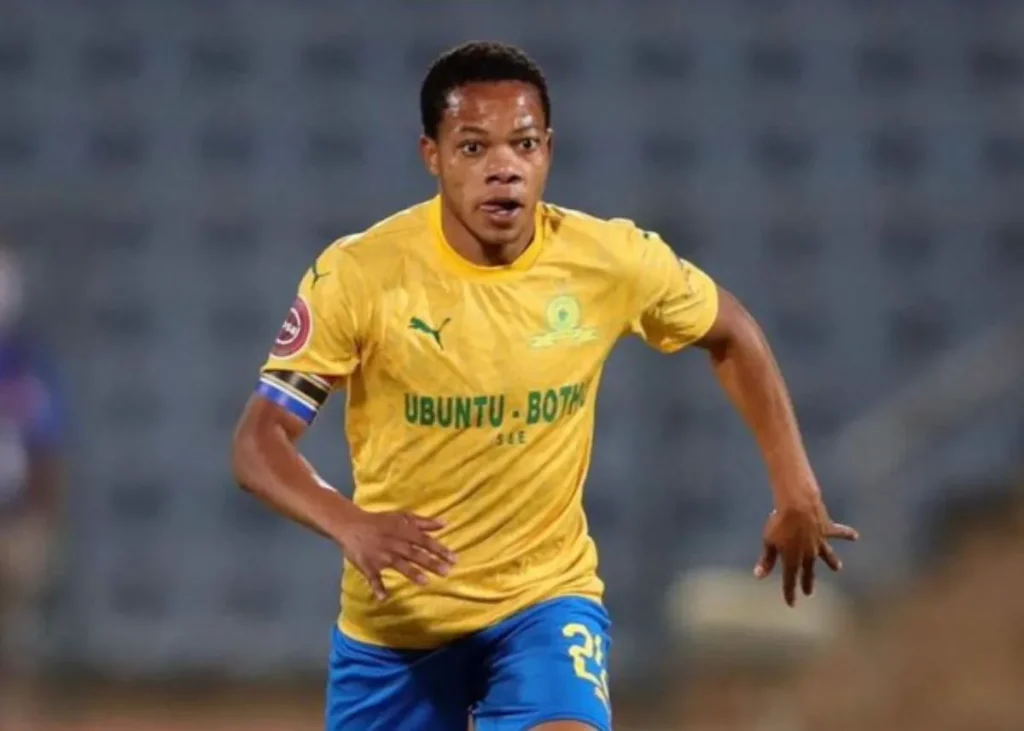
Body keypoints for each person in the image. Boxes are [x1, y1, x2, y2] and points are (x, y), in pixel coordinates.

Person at [232, 41, 858, 731]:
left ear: (548, 152)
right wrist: (350, 522)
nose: (503, 167)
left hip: (542, 603)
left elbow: (730, 329)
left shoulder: (607, 260)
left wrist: (795, 484)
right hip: (398, 625)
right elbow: (259, 442)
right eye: (474, 148)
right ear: (432, 156)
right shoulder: (361, 274)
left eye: (523, 144)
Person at [0, 247, 63, 731]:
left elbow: (48, 444)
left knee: (17, 640)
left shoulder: (27, 366)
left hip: (16, 517)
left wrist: (44, 518)